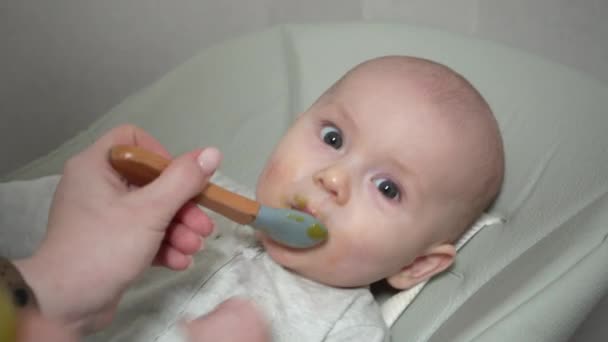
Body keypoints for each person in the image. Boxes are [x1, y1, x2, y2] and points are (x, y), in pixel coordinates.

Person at [93, 55, 505, 342]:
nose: (333, 178)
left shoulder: (349, 329)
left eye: (387, 188)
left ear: (415, 265)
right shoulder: (191, 195)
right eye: (333, 138)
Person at [0, 125, 269, 341]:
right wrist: (54, 273)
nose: (314, 177)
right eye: (314, 132)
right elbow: (17, 214)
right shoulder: (195, 193)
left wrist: (54, 284)